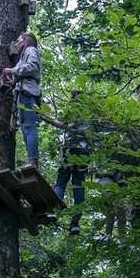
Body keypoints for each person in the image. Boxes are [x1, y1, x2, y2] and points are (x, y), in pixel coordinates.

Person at [42, 93, 91, 235]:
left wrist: (45, 117)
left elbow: (60, 124)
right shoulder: (90, 115)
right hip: (84, 154)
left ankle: (55, 211)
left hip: (70, 152)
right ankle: (75, 223)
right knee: (79, 185)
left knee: (61, 183)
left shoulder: (70, 112)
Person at [1, 32, 41, 168]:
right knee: (26, 129)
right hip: (23, 94)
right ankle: (32, 160)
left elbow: (32, 67)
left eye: (18, 40)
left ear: (25, 41)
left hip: (28, 93)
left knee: (29, 127)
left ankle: (32, 161)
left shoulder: (30, 50)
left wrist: (11, 70)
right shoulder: (22, 57)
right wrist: (12, 78)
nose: (16, 43)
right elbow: (21, 72)